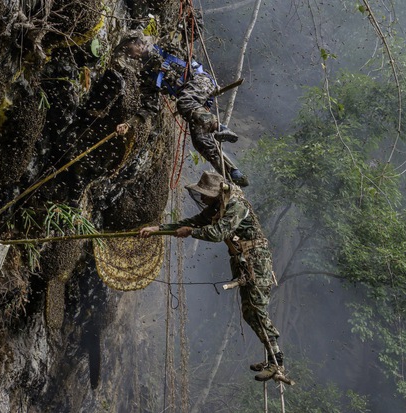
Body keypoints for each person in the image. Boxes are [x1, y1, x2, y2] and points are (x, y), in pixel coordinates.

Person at [139, 171, 283, 381]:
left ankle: (277, 363)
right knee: (249, 312)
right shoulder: (217, 207)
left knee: (257, 308)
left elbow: (217, 233)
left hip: (256, 261)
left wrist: (190, 232)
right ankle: (271, 355)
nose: (203, 198)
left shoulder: (236, 206)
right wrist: (159, 228)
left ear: (216, 193)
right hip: (242, 261)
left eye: (205, 194)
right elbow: (195, 221)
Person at [113, 35, 249, 187]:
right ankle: (233, 174)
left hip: (200, 82)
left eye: (129, 49)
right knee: (200, 141)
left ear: (136, 42)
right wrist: (129, 123)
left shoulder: (164, 44)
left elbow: (191, 32)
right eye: (127, 53)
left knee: (183, 101)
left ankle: (220, 128)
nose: (130, 54)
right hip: (194, 104)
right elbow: (149, 107)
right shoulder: (146, 75)